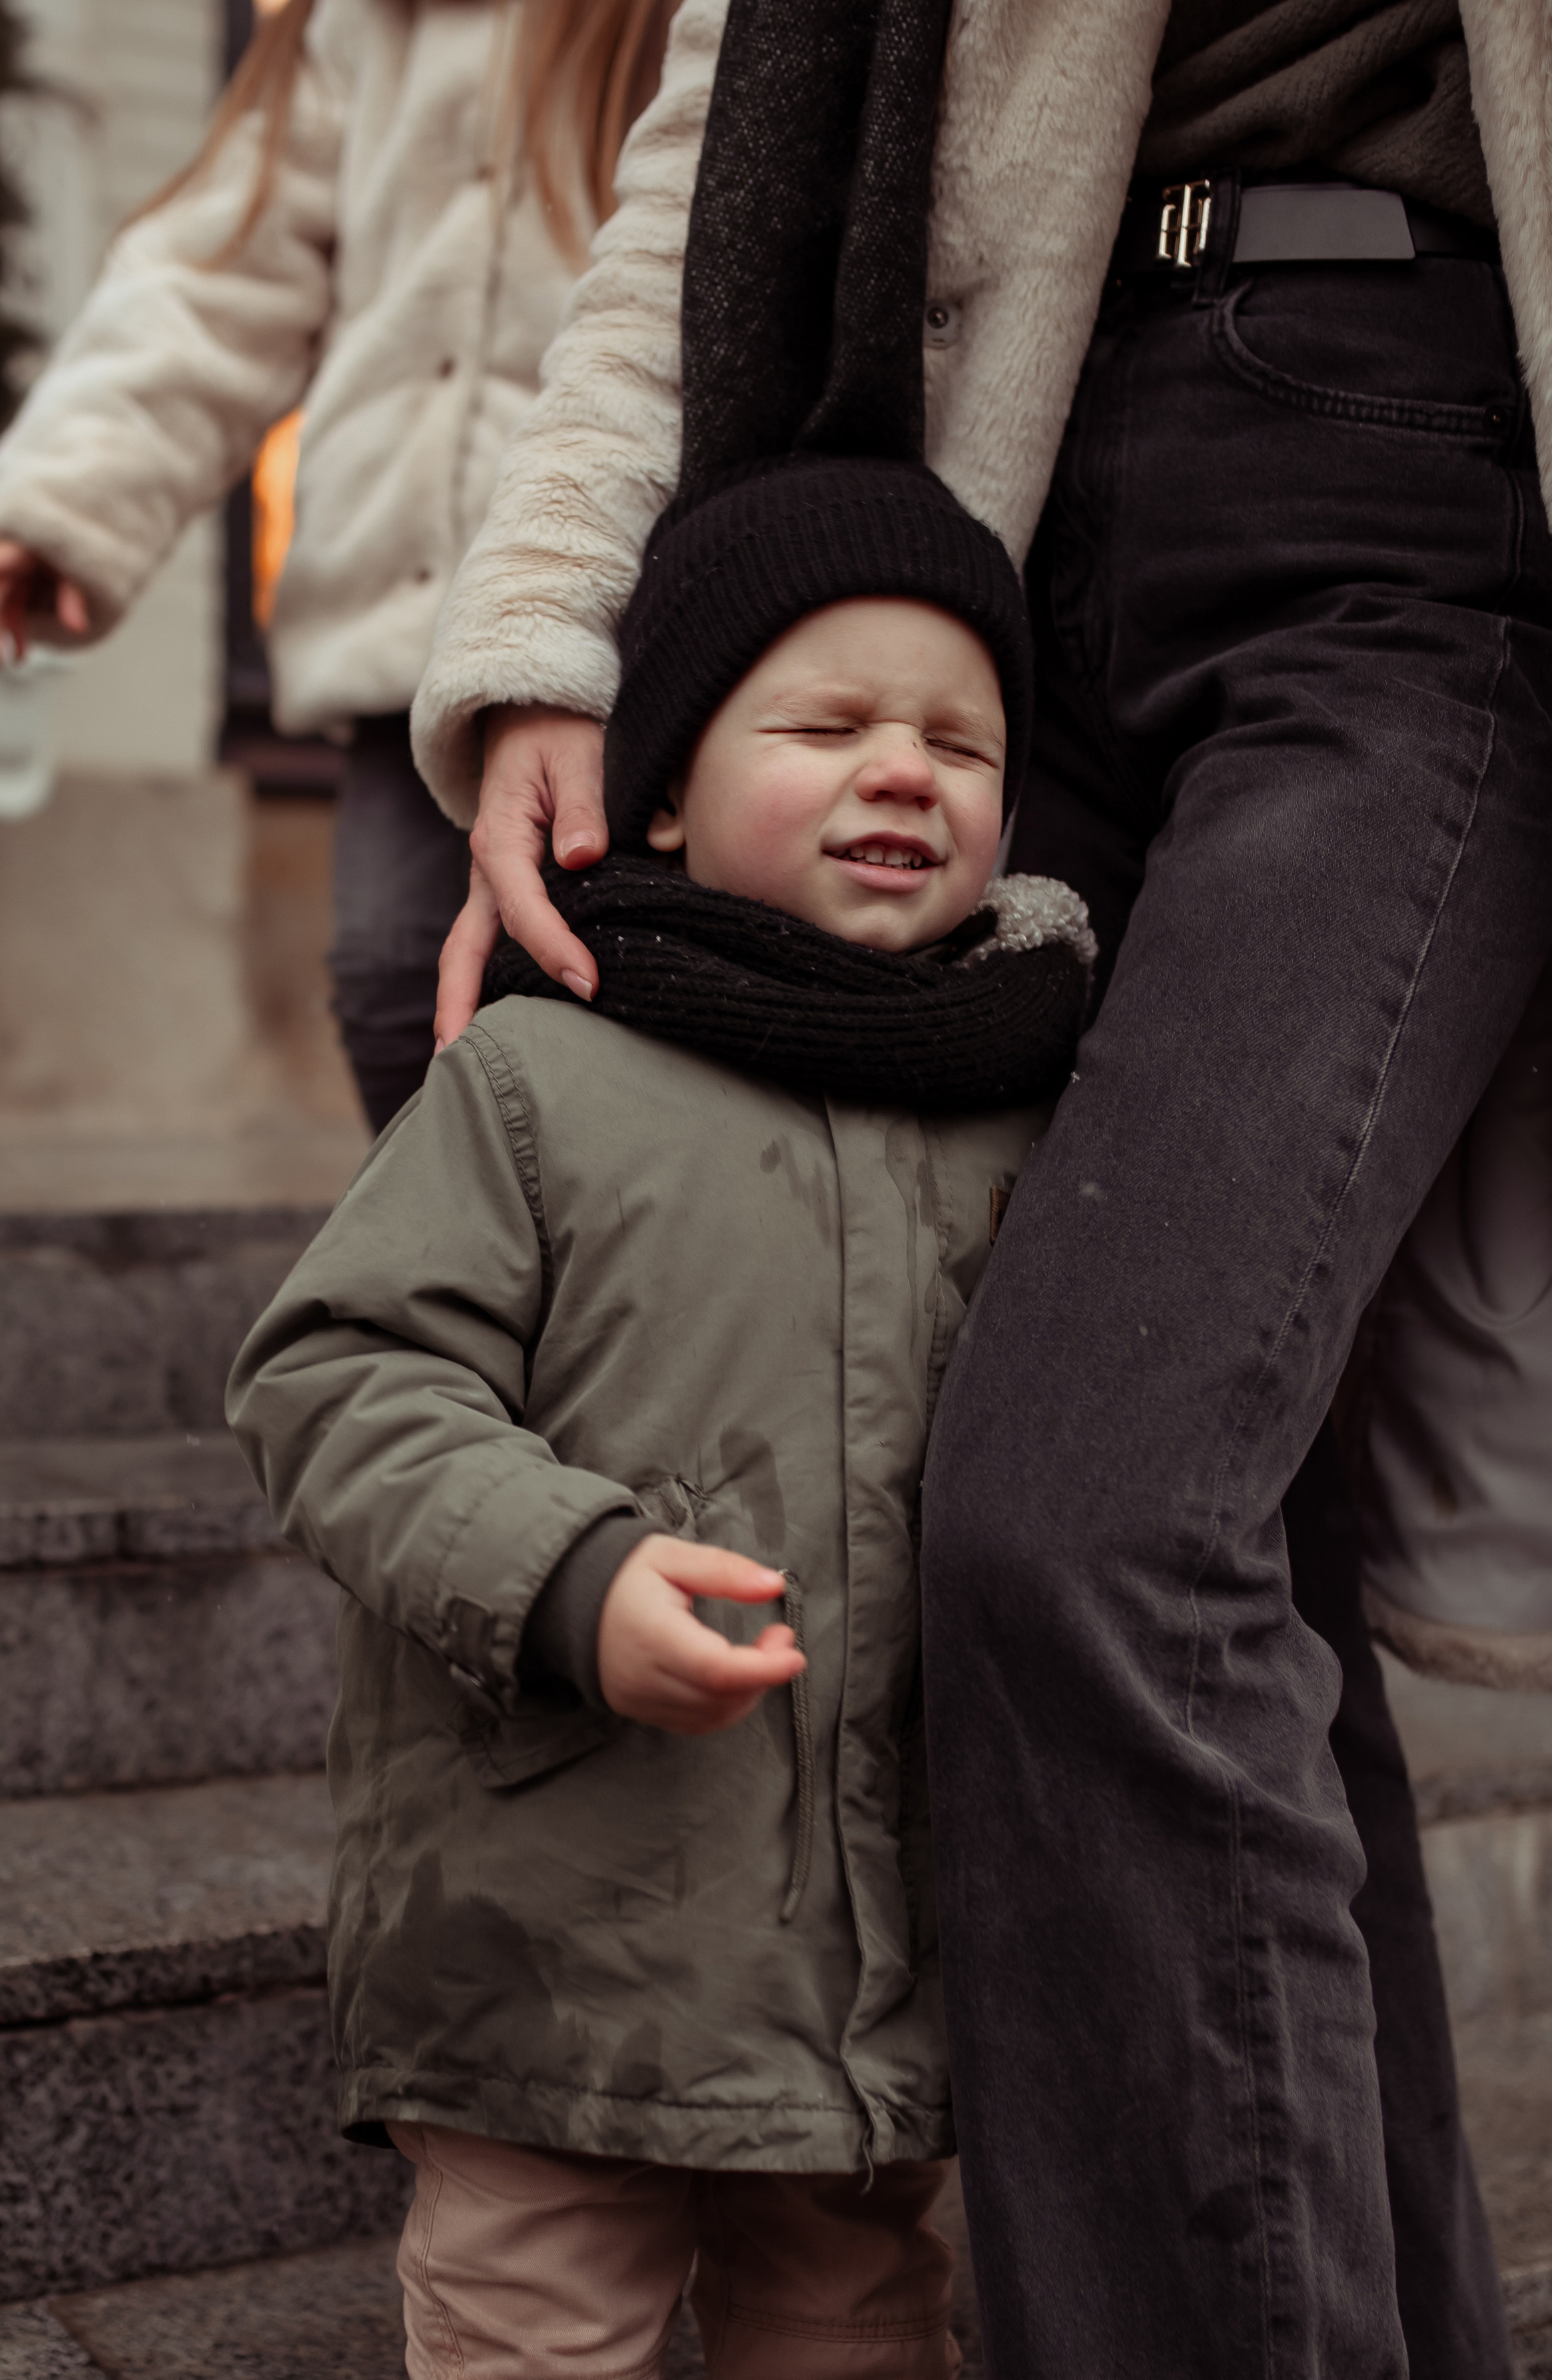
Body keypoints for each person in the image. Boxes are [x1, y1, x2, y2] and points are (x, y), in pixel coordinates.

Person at [402, 0, 1552, 2375]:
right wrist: (561, 619)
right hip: (959, 546)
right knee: (1233, 1571)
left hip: (1408, 517)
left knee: (1085, 1519)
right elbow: (726, 120)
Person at [227, 440, 1096, 2379]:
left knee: (859, 2323)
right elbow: (334, 1374)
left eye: (963, 745)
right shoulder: (542, 1079)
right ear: (672, 795)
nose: (907, 770)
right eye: (834, 724)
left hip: (874, 1967)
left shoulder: (1032, 1107)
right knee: (543, 2327)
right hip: (558, 1934)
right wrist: (565, 1569)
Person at [0, 0, 751, 1130]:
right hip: (411, 649)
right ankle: (450, 1301)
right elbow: (220, 273)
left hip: (636, 626)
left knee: (622, 1004)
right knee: (396, 978)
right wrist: (67, 496)